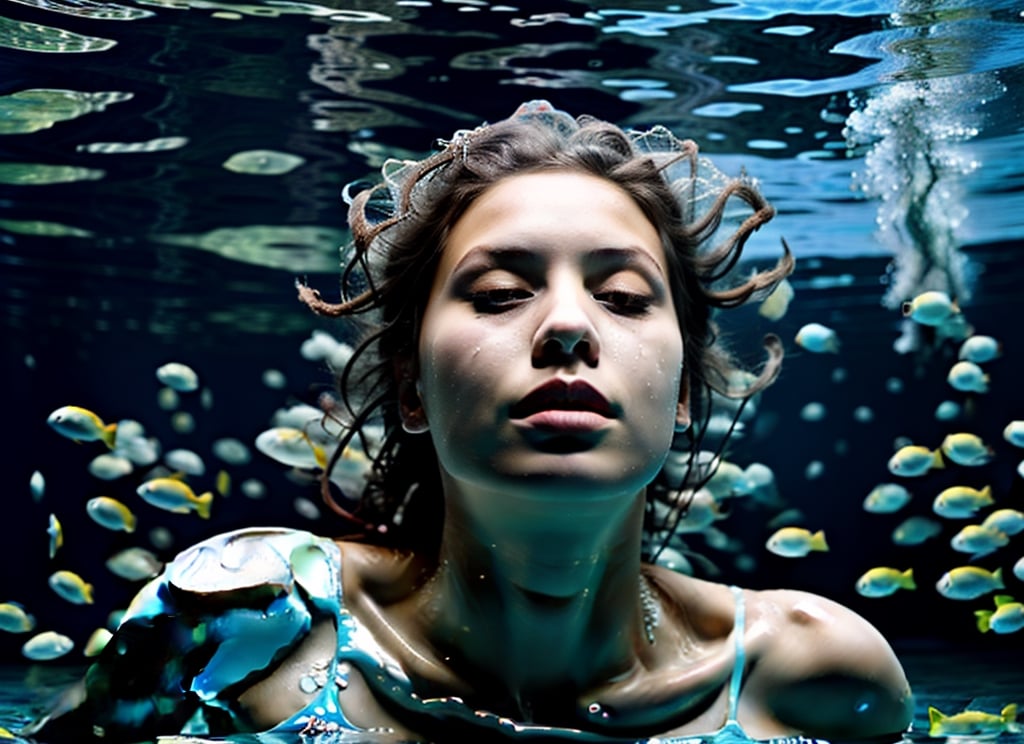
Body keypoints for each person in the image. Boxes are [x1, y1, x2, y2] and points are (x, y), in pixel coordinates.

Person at [24, 101, 913, 744]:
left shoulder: (812, 676)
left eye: (623, 296)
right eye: (498, 293)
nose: (567, 325)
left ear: (683, 392)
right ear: (411, 386)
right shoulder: (245, 620)